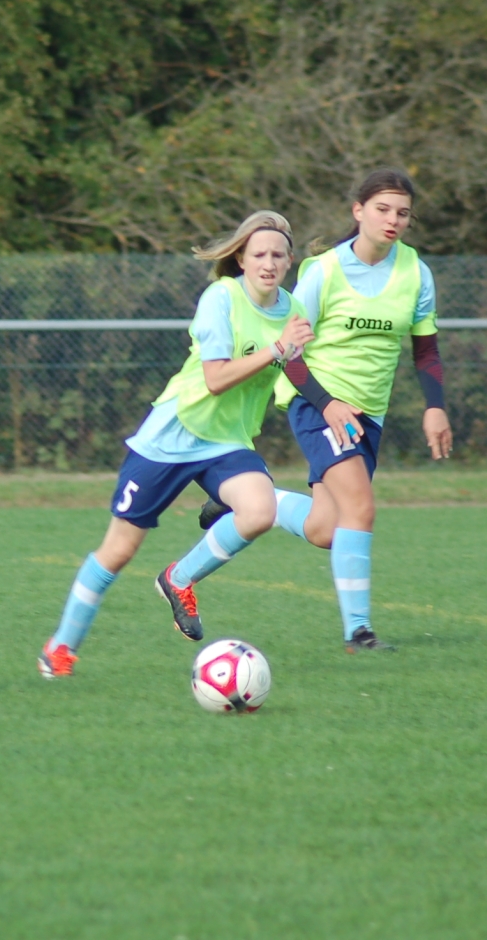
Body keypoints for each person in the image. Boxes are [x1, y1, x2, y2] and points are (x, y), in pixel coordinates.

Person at [37, 210, 314, 679]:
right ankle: (60, 649)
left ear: (290, 261)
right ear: (241, 259)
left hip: (226, 441)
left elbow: (295, 371)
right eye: (259, 254)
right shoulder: (220, 298)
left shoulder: (293, 311)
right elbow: (216, 378)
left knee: (259, 511)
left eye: (278, 255)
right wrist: (277, 349)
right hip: (172, 437)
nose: (268, 263)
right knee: (118, 551)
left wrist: (328, 404)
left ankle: (178, 577)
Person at [258, 168, 453, 652]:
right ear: (358, 211)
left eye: (403, 213)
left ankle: (254, 500)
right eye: (382, 209)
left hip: (369, 413)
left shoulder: (416, 273)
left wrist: (435, 408)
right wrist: (326, 404)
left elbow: (426, 350)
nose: (393, 220)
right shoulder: (324, 271)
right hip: (315, 400)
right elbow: (288, 353)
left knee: (327, 528)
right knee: (361, 509)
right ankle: (359, 632)